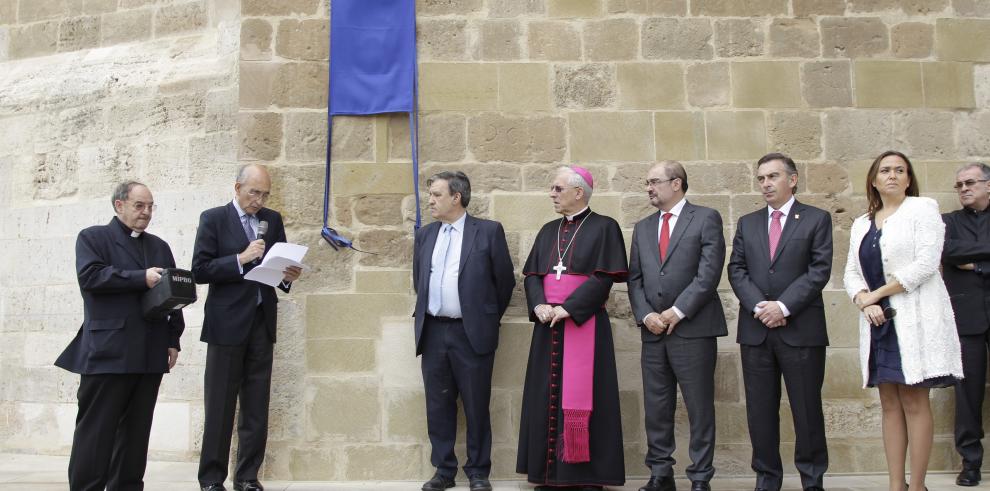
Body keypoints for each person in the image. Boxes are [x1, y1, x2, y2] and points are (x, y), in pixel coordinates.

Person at [844, 150, 963, 491]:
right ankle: (896, 484)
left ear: (909, 179)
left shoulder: (922, 209)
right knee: (889, 402)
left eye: (900, 170)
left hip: (914, 320)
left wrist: (876, 293)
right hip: (879, 322)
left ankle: (917, 485)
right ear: (873, 179)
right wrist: (863, 302)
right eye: (885, 170)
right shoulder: (861, 223)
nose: (892, 175)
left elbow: (926, 263)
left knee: (914, 400)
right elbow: (852, 273)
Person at [55, 181, 185, 491]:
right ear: (119, 205)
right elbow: (91, 276)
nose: (146, 212)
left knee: (136, 434)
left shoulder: (160, 246)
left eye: (150, 206)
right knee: (96, 434)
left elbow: (175, 293)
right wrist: (141, 277)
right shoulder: (93, 238)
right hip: (108, 352)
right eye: (140, 205)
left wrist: (173, 338)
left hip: (150, 352)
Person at [516, 166, 628, 491]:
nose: (552, 193)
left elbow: (604, 277)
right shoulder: (548, 229)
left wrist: (570, 308)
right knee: (544, 397)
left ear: (578, 192)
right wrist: (539, 305)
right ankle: (548, 475)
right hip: (547, 324)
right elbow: (533, 275)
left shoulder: (605, 227)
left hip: (585, 323)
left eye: (557, 188)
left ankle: (588, 476)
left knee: (590, 396)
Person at [193, 164, 302, 491]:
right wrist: (240, 258)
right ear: (237, 187)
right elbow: (200, 269)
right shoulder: (213, 218)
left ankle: (248, 477)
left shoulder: (273, 220)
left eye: (265, 193)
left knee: (256, 406)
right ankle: (212, 479)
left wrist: (287, 277)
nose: (259, 199)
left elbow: (279, 266)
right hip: (226, 325)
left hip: (260, 321)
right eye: (254, 192)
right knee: (220, 406)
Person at [727, 153, 832, 491]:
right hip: (756, 331)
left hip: (801, 332)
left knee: (807, 411)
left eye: (773, 176)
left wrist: (783, 306)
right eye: (761, 178)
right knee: (760, 412)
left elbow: (818, 271)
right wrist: (761, 306)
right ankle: (767, 479)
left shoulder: (816, 219)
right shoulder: (748, 222)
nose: (766, 184)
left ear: (793, 179)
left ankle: (812, 479)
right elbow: (737, 269)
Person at [412, 171, 516, 491]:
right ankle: (443, 471)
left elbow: (505, 282)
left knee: (476, 404)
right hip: (433, 332)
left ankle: (478, 472)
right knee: (438, 405)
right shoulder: (425, 235)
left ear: (456, 198)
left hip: (471, 334)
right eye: (430, 194)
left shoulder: (487, 231)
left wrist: (482, 317)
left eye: (436, 194)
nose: (430, 200)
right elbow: (419, 280)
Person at [627, 161, 726, 491]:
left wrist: (675, 312)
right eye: (647, 183)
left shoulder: (706, 218)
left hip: (692, 330)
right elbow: (635, 278)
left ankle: (700, 477)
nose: (649, 188)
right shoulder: (642, 228)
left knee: (699, 406)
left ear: (677, 183)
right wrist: (646, 315)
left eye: (654, 181)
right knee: (656, 406)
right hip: (653, 332)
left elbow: (708, 275)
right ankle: (660, 473)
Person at [943, 162, 990, 487]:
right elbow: (947, 253)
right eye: (959, 185)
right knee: (967, 394)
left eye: (970, 182)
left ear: (988, 185)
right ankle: (970, 462)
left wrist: (975, 265)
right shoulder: (947, 222)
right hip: (966, 318)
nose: (963, 189)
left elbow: (963, 258)